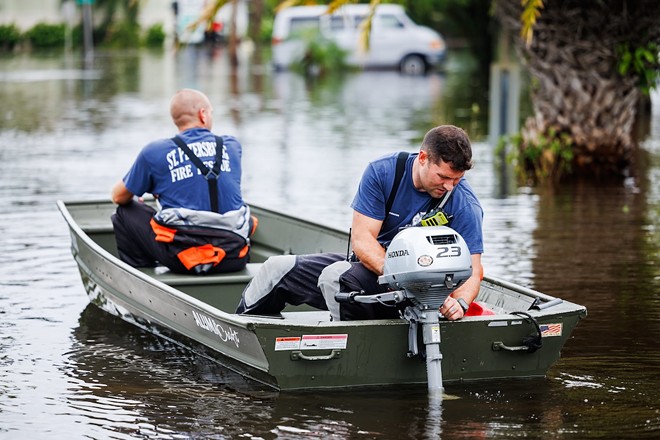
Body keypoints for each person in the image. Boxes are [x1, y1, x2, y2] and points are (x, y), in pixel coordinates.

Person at [236, 125, 483, 321]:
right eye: (443, 177)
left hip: (425, 291)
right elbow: (363, 242)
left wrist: (459, 304)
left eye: (457, 180)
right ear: (422, 158)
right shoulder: (383, 172)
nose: (449, 186)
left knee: (334, 277)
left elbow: (474, 269)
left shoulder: (464, 203)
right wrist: (400, 278)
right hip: (381, 271)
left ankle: (348, 359)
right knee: (275, 268)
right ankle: (244, 340)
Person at [111, 88, 254, 275]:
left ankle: (142, 277)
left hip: (184, 259)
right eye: (211, 112)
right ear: (203, 114)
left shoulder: (155, 152)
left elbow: (118, 196)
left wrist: (155, 186)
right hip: (235, 257)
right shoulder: (231, 145)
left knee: (125, 211)